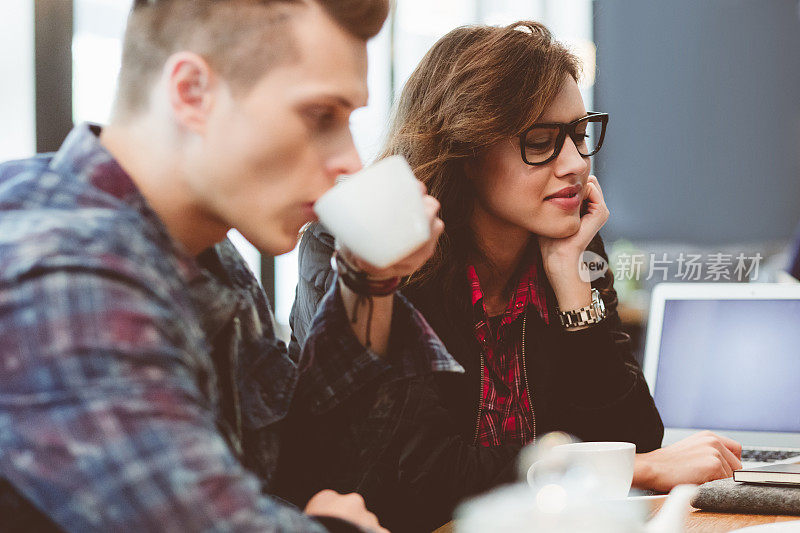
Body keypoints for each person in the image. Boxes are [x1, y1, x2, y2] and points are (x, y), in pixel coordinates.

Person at [0, 0, 449, 531]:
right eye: (321, 115)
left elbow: (297, 465)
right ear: (193, 92)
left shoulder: (204, 249)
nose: (350, 159)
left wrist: (367, 278)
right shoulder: (63, 272)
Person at [282, 21, 744, 531]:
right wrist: (634, 470)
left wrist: (571, 282)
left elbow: (630, 432)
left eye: (579, 134)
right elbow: (412, 478)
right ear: (466, 150)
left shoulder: (570, 246)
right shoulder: (368, 253)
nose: (574, 164)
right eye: (542, 141)